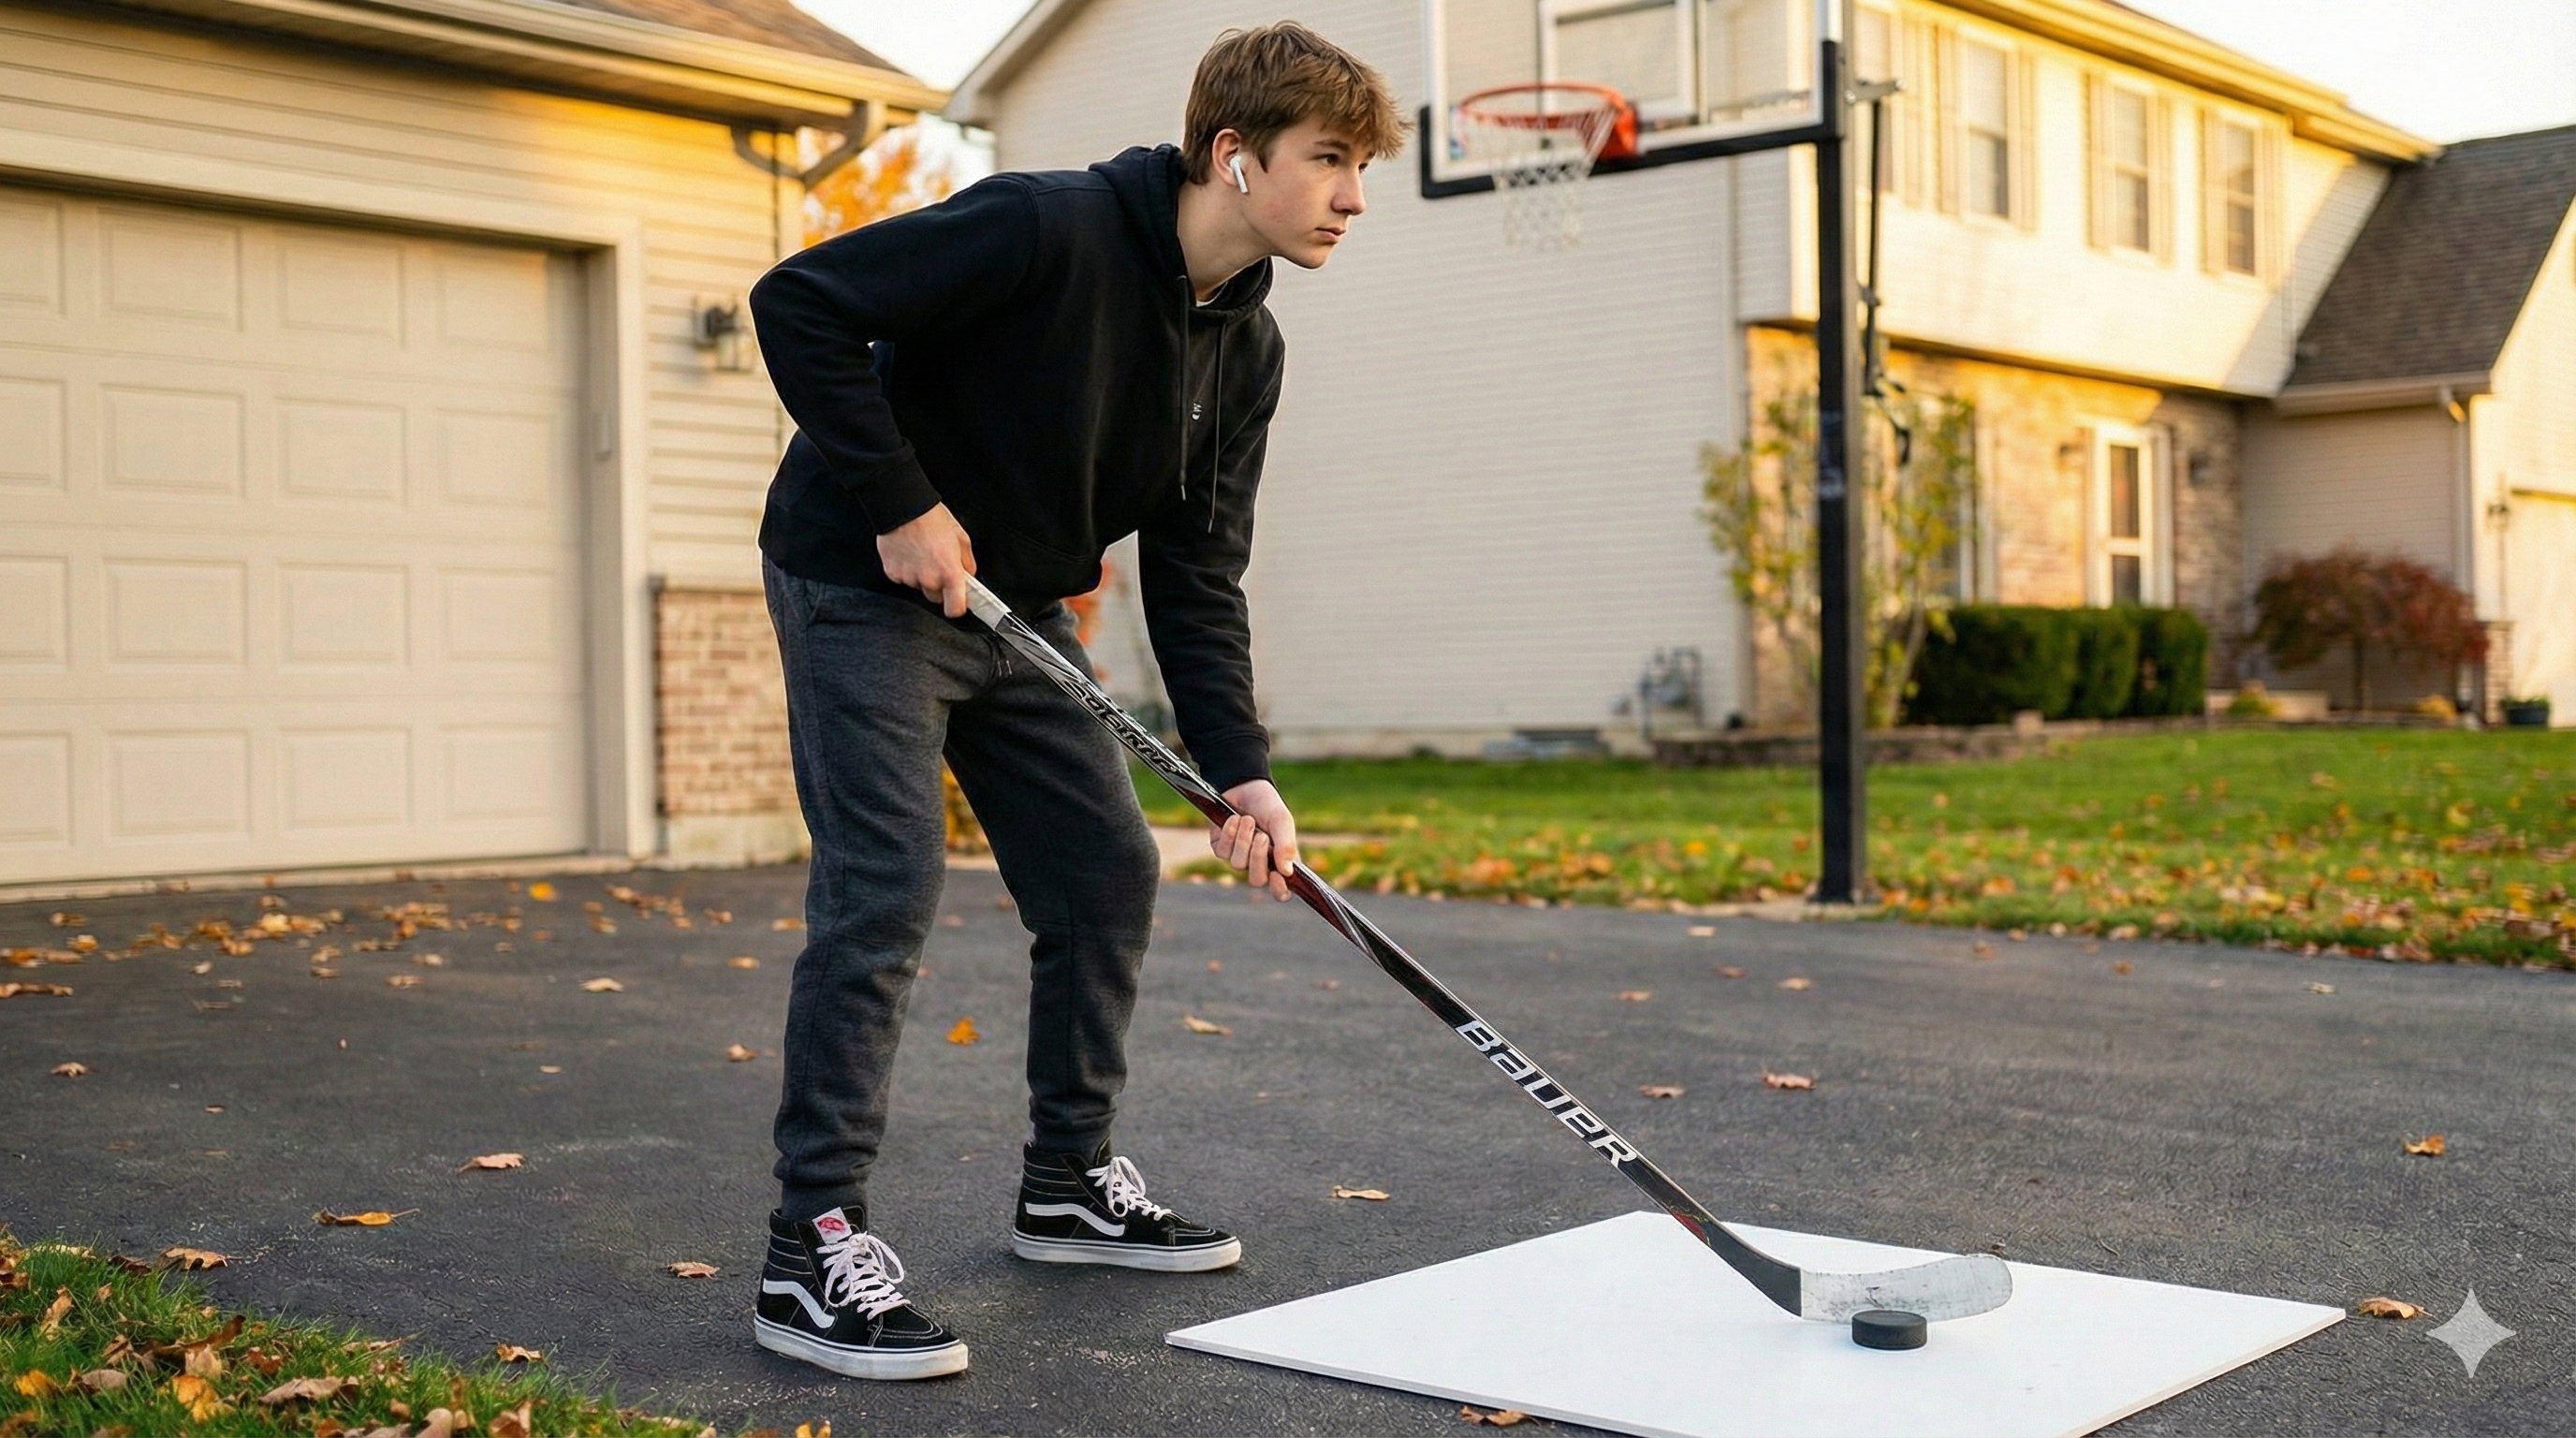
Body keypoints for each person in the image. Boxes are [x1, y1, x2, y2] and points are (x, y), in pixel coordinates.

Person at [741, 22, 1407, 1381]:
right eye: (1330, 160)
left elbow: (1199, 573)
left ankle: (1065, 1182)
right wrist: (903, 502)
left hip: (1018, 611)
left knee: (1107, 873)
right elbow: (797, 303)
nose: (1353, 195)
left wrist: (1241, 769)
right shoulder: (1044, 229)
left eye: (1360, 166)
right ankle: (812, 1248)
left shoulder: (1247, 346)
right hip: (864, 581)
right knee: (884, 890)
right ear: (1234, 156)